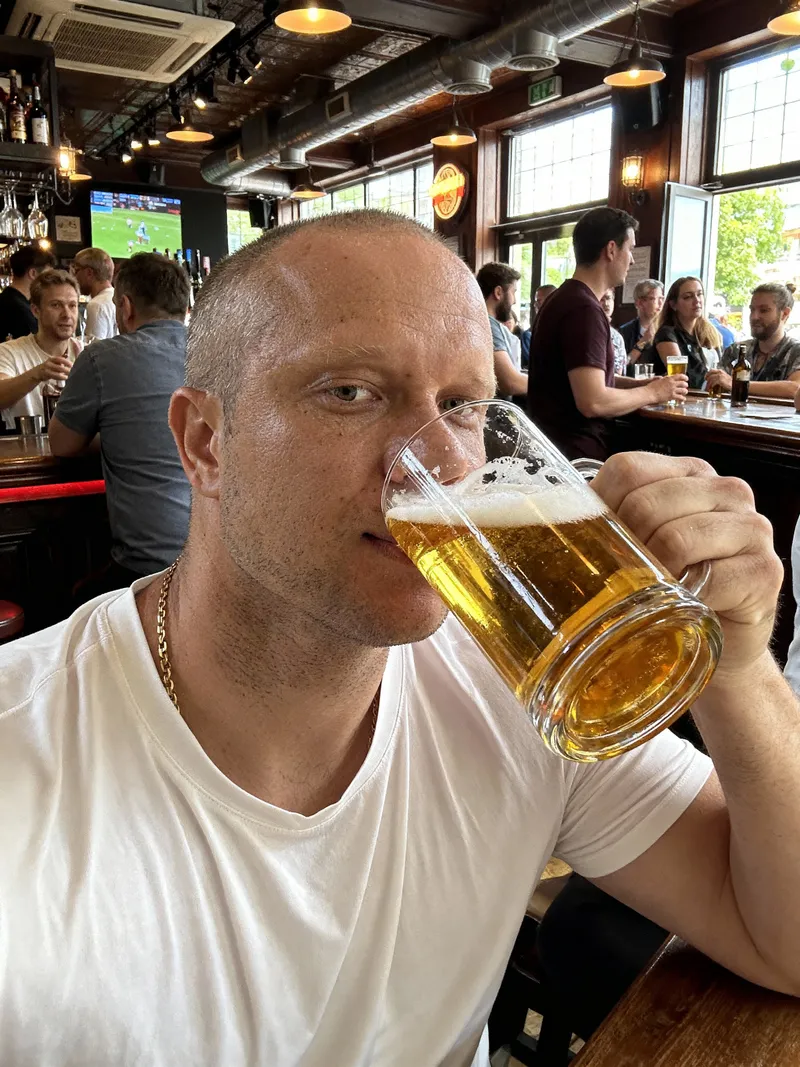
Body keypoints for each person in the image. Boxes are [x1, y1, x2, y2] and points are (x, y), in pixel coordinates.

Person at [1, 210, 799, 1067]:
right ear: (206, 443)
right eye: (350, 392)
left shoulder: (519, 680)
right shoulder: (27, 761)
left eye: (460, 406)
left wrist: (739, 667)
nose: (445, 463)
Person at [49, 253, 191, 593]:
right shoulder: (222, 354)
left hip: (150, 569)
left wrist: (120, 433)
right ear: (185, 308)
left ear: (125, 307)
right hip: (230, 563)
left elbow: (62, 445)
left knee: (74, 596)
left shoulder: (101, 357)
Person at [527, 207, 687, 461]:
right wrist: (654, 393)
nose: (632, 260)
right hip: (579, 463)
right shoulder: (583, 309)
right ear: (611, 250)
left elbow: (587, 380)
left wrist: (643, 385)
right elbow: (593, 401)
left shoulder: (564, 298)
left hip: (555, 452)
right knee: (702, 468)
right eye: (630, 249)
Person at [0, 268, 81, 430]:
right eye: (56, 305)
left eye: (72, 305)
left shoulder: (88, 352)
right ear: (35, 310)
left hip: (79, 444)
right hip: (26, 443)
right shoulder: (9, 352)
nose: (67, 314)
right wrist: (37, 374)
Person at [706, 283, 800, 401]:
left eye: (764, 310)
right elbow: (716, 386)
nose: (754, 317)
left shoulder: (795, 351)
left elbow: (795, 388)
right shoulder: (736, 350)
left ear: (784, 314)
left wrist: (736, 384)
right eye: (752, 310)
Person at [654, 277, 722, 390]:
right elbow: (681, 376)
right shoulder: (666, 333)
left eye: (699, 294)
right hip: (680, 396)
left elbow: (721, 370)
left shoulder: (711, 332)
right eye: (688, 297)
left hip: (707, 396)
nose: (697, 300)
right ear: (673, 305)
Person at [476, 262, 529, 398]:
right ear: (498, 292)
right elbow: (510, 382)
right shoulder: (488, 325)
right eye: (513, 292)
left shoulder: (481, 321)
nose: (514, 301)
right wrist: (550, 382)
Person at [0, 244, 55, 341]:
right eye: (48, 275)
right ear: (33, 273)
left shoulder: (6, 298)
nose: (50, 281)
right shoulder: (20, 309)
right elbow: (35, 346)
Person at [72, 246, 118, 343]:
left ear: (89, 273)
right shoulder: (118, 297)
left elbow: (94, 349)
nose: (74, 277)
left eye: (76, 271)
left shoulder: (97, 305)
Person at [619, 278, 664, 360]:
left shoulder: (669, 329)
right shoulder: (625, 331)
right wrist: (644, 341)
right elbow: (623, 364)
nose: (660, 303)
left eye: (661, 298)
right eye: (654, 299)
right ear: (640, 303)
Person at [600, 287, 628, 376]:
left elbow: (620, 372)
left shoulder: (617, 336)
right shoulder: (588, 330)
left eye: (608, 298)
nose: (606, 304)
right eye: (601, 299)